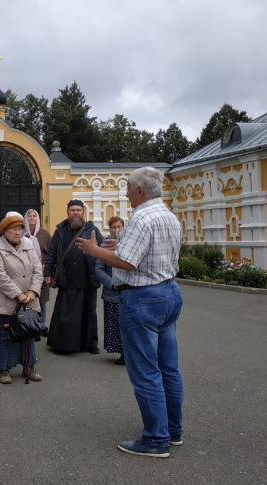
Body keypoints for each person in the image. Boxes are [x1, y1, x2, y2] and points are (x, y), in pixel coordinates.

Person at [77, 166, 184, 459]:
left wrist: (93, 249)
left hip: (142, 299)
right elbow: (150, 253)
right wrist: (119, 244)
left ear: (139, 190)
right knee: (168, 369)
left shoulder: (140, 218)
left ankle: (156, 439)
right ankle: (173, 432)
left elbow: (127, 263)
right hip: (169, 292)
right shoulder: (168, 215)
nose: (125, 192)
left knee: (146, 372)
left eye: (127, 187)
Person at [43, 200, 103, 354]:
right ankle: (64, 344)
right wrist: (48, 273)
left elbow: (102, 251)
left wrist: (102, 273)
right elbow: (51, 253)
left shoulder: (92, 230)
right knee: (66, 313)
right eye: (72, 210)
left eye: (78, 210)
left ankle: (90, 343)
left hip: (87, 277)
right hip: (67, 277)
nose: (75, 212)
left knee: (89, 313)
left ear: (83, 212)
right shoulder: (60, 231)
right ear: (67, 212)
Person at [0, 213, 44, 384]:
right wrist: (18, 294)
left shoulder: (27, 244)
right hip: (8, 300)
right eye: (14, 229)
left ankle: (30, 365)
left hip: (29, 299)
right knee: (6, 334)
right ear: (5, 231)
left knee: (28, 332)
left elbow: (37, 269)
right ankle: (4, 370)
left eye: (20, 228)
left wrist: (33, 292)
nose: (18, 231)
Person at [95, 216, 126, 365]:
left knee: (128, 325)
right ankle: (122, 353)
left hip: (128, 292)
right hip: (112, 293)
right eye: (113, 227)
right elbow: (99, 269)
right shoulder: (104, 246)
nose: (116, 230)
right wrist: (112, 283)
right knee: (115, 325)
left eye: (119, 226)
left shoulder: (129, 244)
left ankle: (130, 353)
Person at [25, 209, 51, 321]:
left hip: (42, 273)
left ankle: (41, 326)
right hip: (25, 273)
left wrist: (47, 269)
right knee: (28, 301)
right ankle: (31, 327)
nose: (31, 218)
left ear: (38, 219)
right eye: (29, 216)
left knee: (42, 302)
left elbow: (51, 253)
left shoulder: (44, 234)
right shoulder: (22, 234)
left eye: (34, 216)